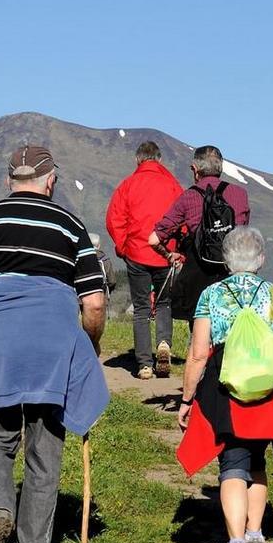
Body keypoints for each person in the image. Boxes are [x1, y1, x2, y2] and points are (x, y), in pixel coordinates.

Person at [0, 145, 111, 543]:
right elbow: (93, 303)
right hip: (52, 353)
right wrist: (89, 349)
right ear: (50, 180)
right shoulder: (71, 226)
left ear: (7, 180)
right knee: (44, 455)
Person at [175, 227, 273, 543]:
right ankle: (255, 537)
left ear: (225, 259)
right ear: (262, 259)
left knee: (233, 460)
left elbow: (199, 353)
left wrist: (187, 398)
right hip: (270, 389)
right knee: (257, 459)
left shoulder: (212, 296)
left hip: (226, 387)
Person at [149, 145, 252, 334]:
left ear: (195, 170)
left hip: (199, 276)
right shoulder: (240, 194)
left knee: (199, 336)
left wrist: (170, 254)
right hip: (232, 272)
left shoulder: (188, 197)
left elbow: (154, 239)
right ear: (221, 167)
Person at [104, 141, 184, 380]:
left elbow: (114, 219)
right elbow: (183, 220)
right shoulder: (172, 185)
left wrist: (123, 246)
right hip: (165, 254)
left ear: (138, 160)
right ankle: (163, 343)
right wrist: (178, 250)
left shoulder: (128, 185)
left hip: (136, 253)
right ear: (159, 160)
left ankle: (144, 365)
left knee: (141, 308)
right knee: (163, 304)